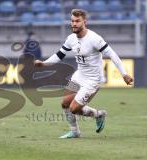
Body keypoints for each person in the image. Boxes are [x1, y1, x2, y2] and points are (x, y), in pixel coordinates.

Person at [34, 9, 133, 138]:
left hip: (93, 80)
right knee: (65, 103)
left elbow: (112, 54)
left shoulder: (94, 39)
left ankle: (98, 115)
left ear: (84, 22)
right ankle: (75, 131)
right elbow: (59, 55)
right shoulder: (71, 39)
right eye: (72, 21)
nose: (74, 24)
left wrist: (124, 74)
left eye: (77, 21)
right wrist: (43, 63)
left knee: (74, 109)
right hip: (79, 75)